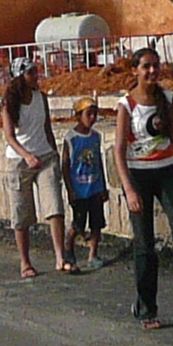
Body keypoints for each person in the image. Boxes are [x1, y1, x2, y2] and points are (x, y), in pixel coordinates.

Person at [116, 55, 173, 327]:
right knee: (145, 244)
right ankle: (146, 308)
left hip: (167, 171)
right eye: (146, 66)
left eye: (155, 65)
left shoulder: (166, 98)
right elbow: (119, 150)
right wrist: (129, 190)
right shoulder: (127, 105)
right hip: (138, 174)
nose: (152, 71)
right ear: (136, 71)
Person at [0, 57, 76, 280]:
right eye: (31, 72)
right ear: (20, 76)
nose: (36, 75)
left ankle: (60, 257)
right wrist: (27, 156)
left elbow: (47, 128)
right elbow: (10, 137)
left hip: (45, 156)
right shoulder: (8, 104)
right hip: (19, 161)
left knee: (54, 204)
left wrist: (54, 153)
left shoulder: (41, 98)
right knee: (22, 212)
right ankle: (25, 262)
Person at [61, 99, 111, 266]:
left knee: (97, 223)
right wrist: (70, 189)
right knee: (78, 223)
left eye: (94, 114)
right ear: (78, 116)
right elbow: (66, 166)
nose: (92, 118)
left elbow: (98, 161)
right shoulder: (71, 138)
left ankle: (93, 255)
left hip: (94, 187)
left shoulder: (96, 137)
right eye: (88, 114)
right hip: (79, 189)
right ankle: (68, 248)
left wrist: (103, 186)